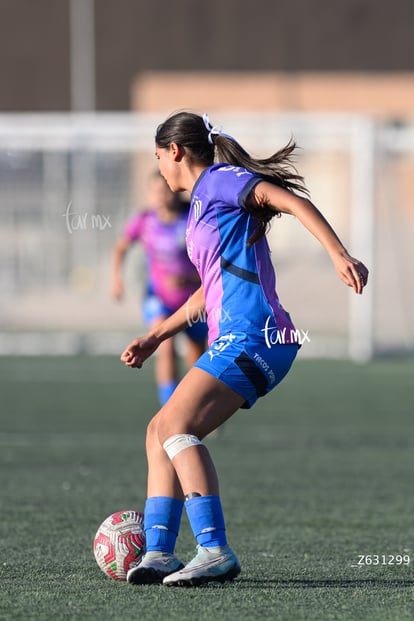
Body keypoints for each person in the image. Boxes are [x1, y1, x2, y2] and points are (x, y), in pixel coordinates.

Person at [121, 111, 369, 587]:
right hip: (236, 337)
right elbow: (206, 293)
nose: (158, 167)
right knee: (159, 432)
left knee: (175, 426)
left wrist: (338, 253)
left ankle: (214, 550)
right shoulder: (200, 208)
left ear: (175, 151)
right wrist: (156, 336)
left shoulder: (218, 181)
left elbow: (289, 200)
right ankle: (157, 553)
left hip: (255, 335)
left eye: (157, 156)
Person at [111, 171, 207, 406]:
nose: (160, 196)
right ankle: (169, 408)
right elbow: (121, 247)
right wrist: (117, 279)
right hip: (159, 297)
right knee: (163, 344)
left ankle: (200, 406)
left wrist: (188, 279)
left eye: (164, 190)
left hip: (192, 298)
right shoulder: (144, 221)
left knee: (197, 357)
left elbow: (211, 260)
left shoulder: (193, 218)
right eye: (154, 191)